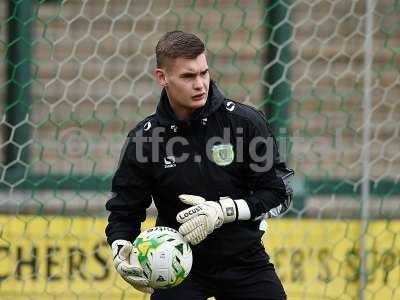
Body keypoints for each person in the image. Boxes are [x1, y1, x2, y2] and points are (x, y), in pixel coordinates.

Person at [105, 30, 294, 300]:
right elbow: (125, 208)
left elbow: (277, 192)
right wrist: (120, 248)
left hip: (244, 261)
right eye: (188, 76)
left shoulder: (244, 123)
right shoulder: (146, 138)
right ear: (162, 77)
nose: (200, 84)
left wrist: (224, 211)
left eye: (203, 73)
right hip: (178, 265)